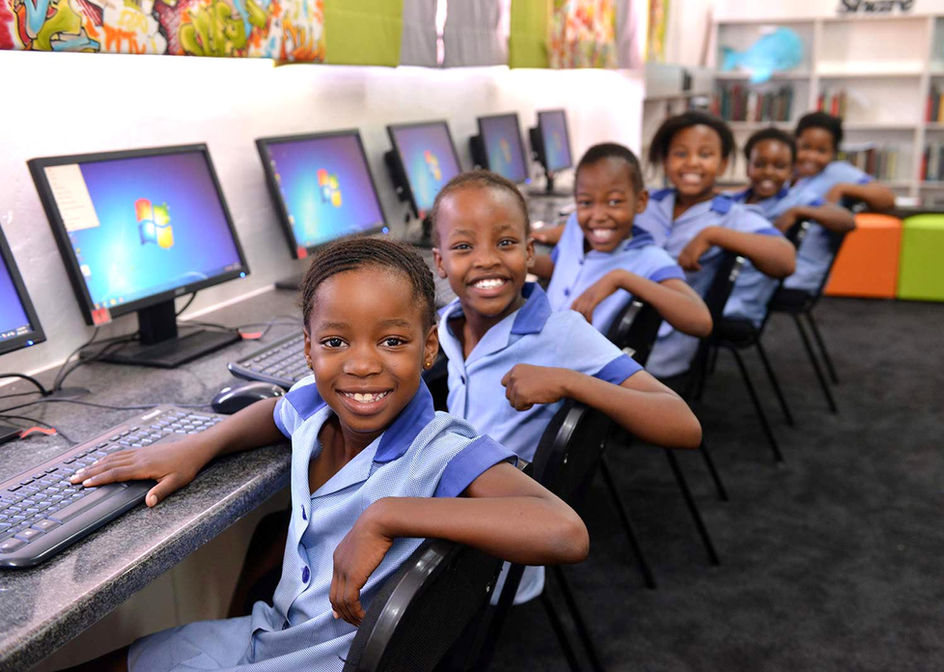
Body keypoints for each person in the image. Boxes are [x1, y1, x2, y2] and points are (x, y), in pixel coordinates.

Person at [63, 238, 589, 672]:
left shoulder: (443, 449)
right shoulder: (315, 407)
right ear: (308, 349)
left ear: (429, 348)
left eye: (390, 341)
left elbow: (565, 531)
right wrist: (198, 446)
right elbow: (274, 411)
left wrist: (386, 516)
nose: (361, 365)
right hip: (272, 635)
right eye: (336, 342)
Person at [429, 170, 701, 604]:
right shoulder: (446, 326)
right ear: (439, 262)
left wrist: (569, 381)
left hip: (486, 557)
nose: (486, 260)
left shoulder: (560, 334)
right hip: (459, 509)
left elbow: (685, 425)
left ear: (530, 252)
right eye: (464, 246)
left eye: (505, 243)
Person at [633, 111, 796, 379]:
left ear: (722, 164)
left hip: (662, 344)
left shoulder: (731, 214)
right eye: (680, 154)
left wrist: (714, 235)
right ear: (665, 160)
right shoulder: (646, 204)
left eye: (705, 154)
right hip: (616, 321)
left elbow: (785, 260)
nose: (692, 163)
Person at [529, 142, 712, 338]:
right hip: (541, 337)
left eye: (614, 201)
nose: (598, 215)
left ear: (640, 201)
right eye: (586, 202)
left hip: (572, 362)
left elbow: (701, 322)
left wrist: (621, 278)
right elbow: (559, 265)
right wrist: (519, 259)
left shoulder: (650, 259)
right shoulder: (575, 226)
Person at [724, 127, 855, 327]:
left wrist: (799, 211)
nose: (768, 172)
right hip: (720, 282)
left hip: (742, 296)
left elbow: (847, 221)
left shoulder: (797, 198)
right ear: (747, 166)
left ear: (792, 169)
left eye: (779, 166)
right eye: (759, 164)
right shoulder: (734, 199)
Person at [783, 111, 895, 294]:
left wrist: (844, 188)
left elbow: (887, 199)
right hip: (778, 262)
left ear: (833, 153)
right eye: (805, 147)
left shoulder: (837, 172)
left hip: (800, 273)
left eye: (821, 151)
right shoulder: (786, 173)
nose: (811, 156)